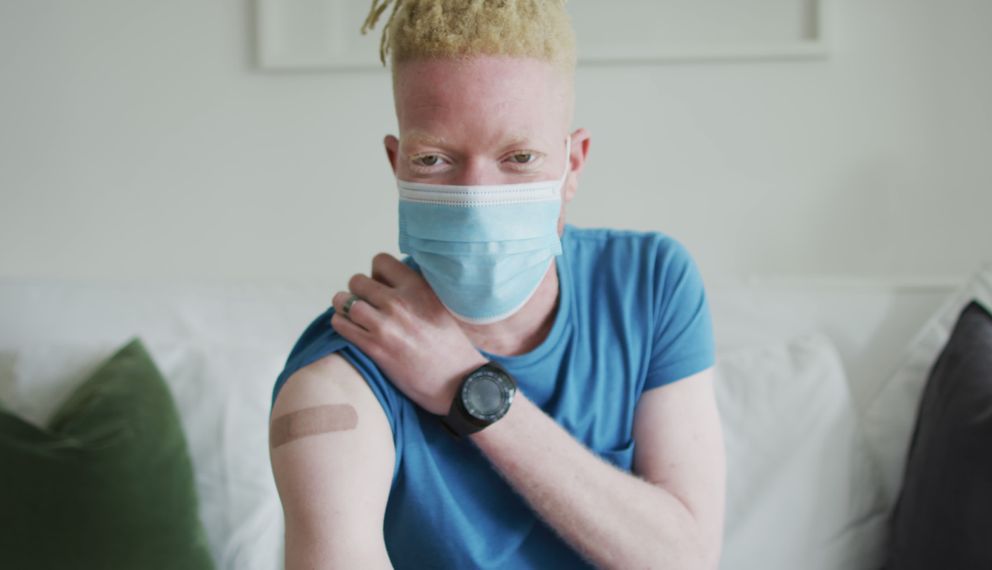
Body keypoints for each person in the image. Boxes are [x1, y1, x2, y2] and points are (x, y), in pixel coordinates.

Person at [268, 1, 726, 567]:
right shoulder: (335, 385)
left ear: (572, 165)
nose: (477, 200)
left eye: (519, 157)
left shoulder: (648, 285)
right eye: (434, 159)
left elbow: (687, 558)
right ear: (397, 164)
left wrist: (466, 385)